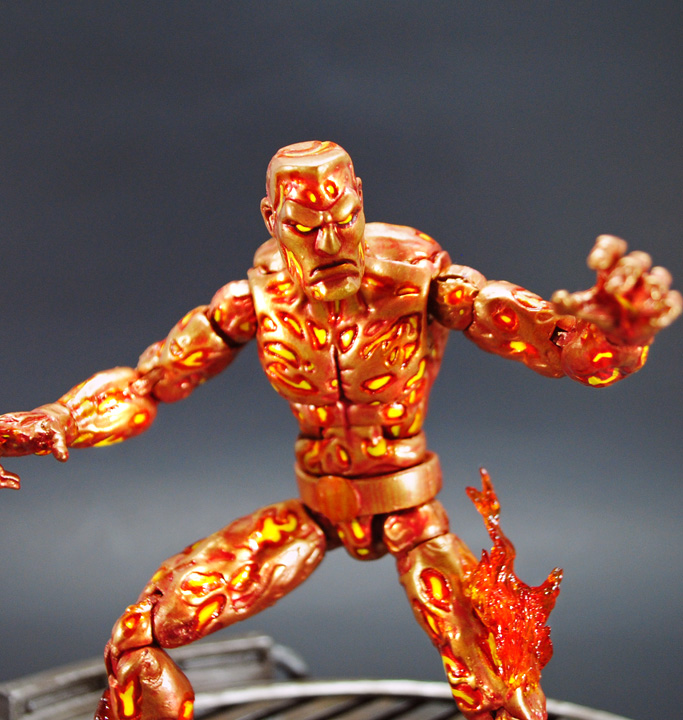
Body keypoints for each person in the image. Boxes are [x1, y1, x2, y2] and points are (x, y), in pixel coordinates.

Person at [0, 141, 679, 720]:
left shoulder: (421, 283)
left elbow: (549, 342)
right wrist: (56, 421)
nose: (329, 244)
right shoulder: (254, 300)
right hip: (314, 508)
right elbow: (149, 383)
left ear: (359, 200)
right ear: (271, 220)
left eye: (342, 219)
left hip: (412, 513)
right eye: (305, 227)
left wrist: (617, 336)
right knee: (140, 638)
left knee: (503, 690)